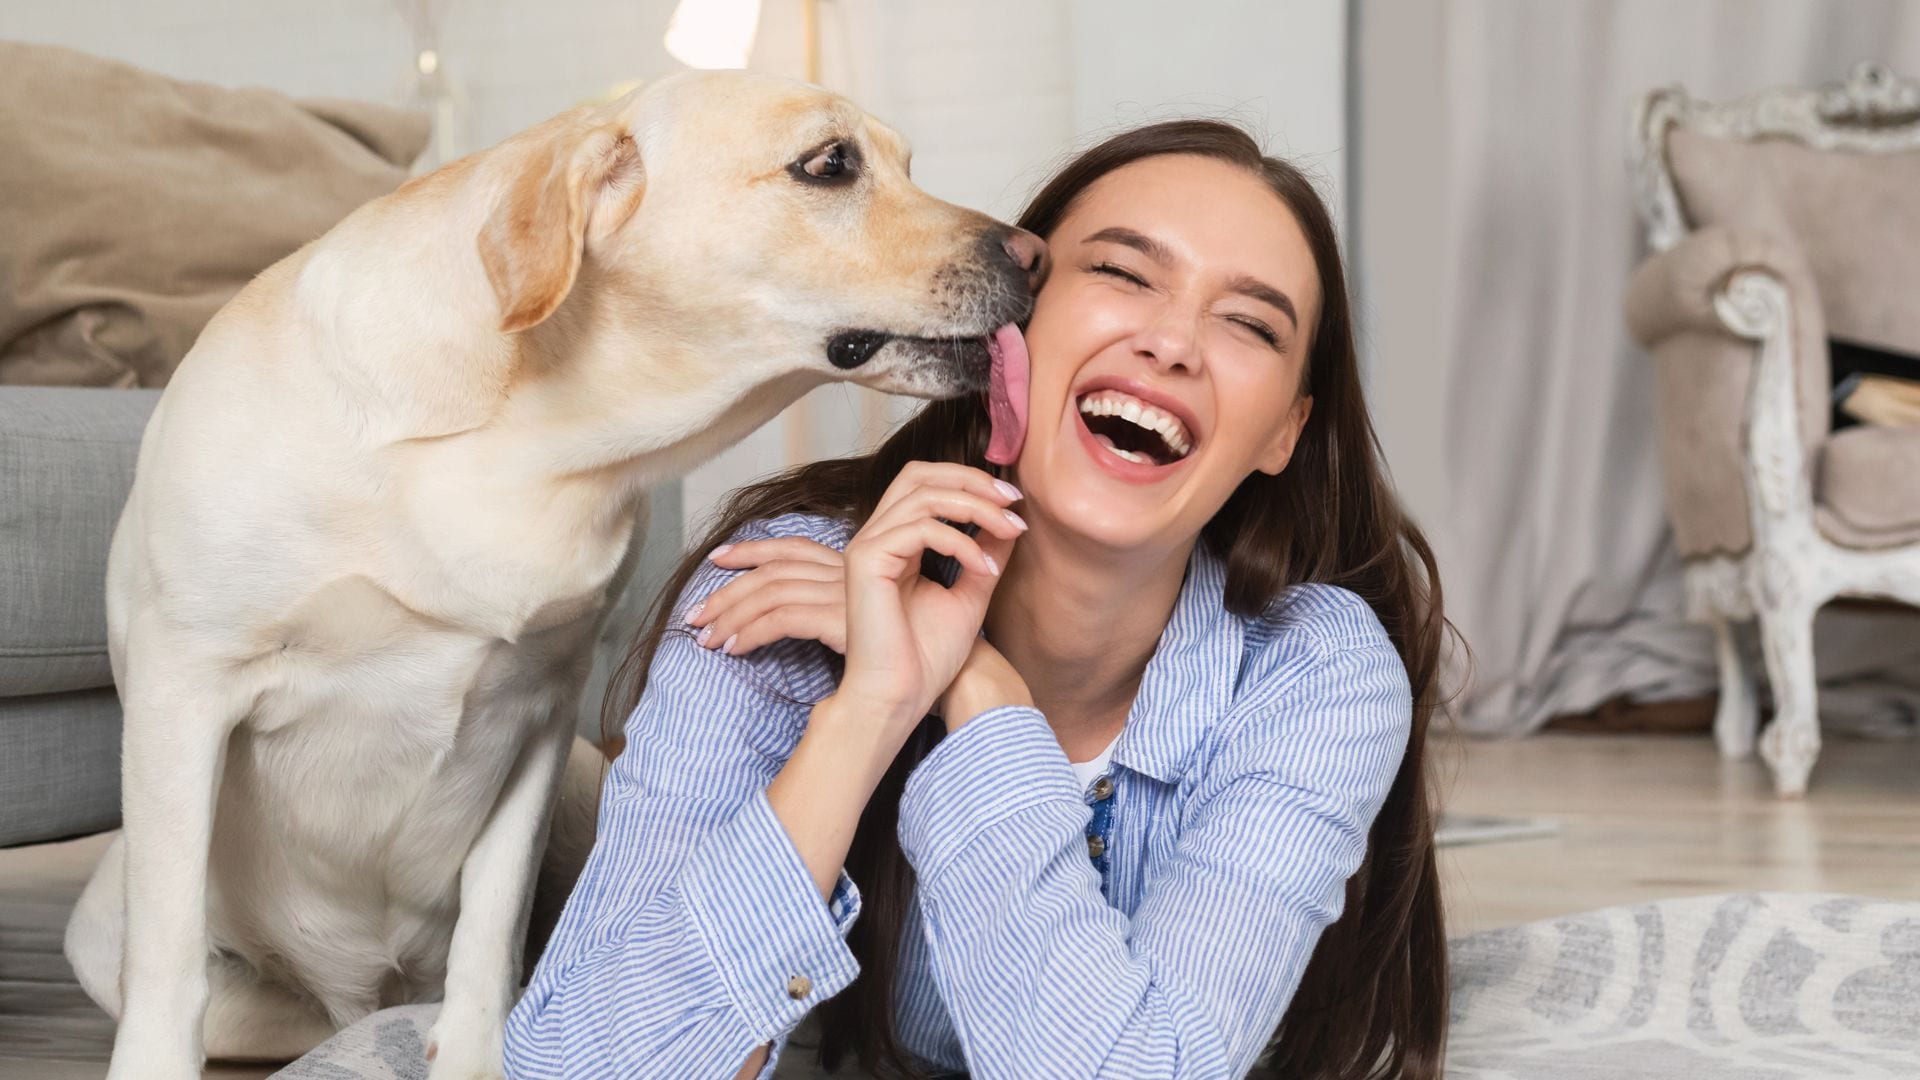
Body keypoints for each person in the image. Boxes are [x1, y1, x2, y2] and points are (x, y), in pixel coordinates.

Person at [503, 119, 1450, 1080]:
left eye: (1250, 323)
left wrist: (980, 694)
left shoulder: (1316, 672)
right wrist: (869, 710)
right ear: (1008, 328)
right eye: (1124, 274)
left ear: (1282, 435)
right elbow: (584, 1066)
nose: (1171, 343)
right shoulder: (786, 589)